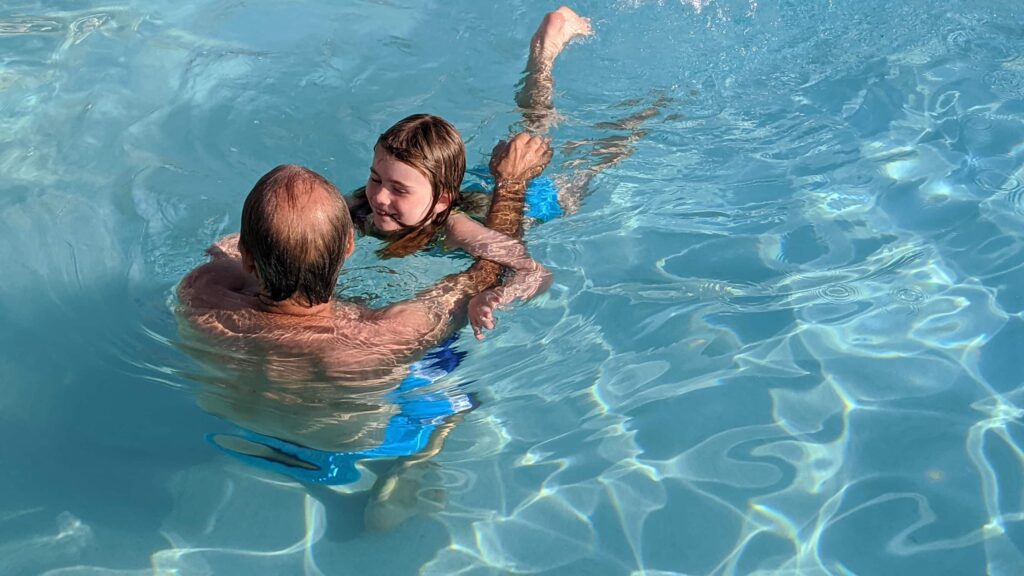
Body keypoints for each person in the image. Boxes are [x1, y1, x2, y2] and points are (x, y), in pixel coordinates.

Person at [177, 132, 551, 385]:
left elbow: (228, 250)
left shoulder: (203, 293)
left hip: (240, 423)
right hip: (356, 443)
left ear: (248, 258)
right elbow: (485, 274)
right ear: (348, 248)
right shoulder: (378, 338)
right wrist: (512, 184)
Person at [345, 7, 593, 339]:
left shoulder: (455, 228)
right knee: (531, 126)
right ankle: (543, 60)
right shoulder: (361, 204)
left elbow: (536, 273)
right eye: (376, 178)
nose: (379, 196)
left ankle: (547, 58)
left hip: (535, 198)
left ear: (440, 202)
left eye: (399, 189)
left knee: (594, 155)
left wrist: (498, 296)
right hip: (480, 187)